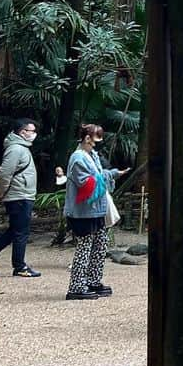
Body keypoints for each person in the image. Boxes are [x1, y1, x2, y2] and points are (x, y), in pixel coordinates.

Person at [63, 122, 128, 301]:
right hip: (83, 211)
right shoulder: (78, 158)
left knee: (100, 244)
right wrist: (112, 174)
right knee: (84, 248)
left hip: (97, 209)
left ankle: (93, 281)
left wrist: (110, 174)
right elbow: (87, 183)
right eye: (95, 139)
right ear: (86, 138)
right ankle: (76, 286)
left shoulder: (93, 155)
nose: (97, 143)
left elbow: (96, 178)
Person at [0, 117, 41, 279]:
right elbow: (4, 173)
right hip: (18, 196)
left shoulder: (21, 147)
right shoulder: (16, 149)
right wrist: (2, 192)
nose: (34, 134)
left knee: (14, 231)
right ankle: (20, 266)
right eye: (32, 131)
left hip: (22, 195)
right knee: (20, 232)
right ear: (23, 132)